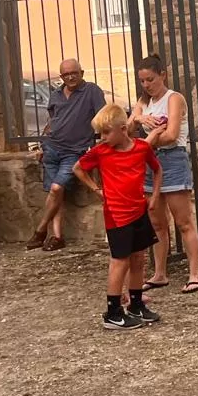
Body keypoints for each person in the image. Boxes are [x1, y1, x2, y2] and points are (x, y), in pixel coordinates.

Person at [73, 104, 163, 329]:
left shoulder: (141, 148)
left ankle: (136, 303)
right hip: (117, 214)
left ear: (123, 129)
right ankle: (113, 311)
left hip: (138, 210)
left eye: (106, 132)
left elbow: (157, 169)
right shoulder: (101, 152)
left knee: (138, 258)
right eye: (100, 133)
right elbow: (78, 168)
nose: (102, 138)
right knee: (119, 261)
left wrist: (154, 197)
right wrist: (97, 190)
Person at [132, 56, 198, 294]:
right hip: (150, 162)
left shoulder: (174, 99)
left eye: (150, 79)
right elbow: (127, 127)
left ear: (162, 74)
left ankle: (195, 274)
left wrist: (148, 140)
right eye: (142, 80)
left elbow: (172, 134)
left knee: (183, 220)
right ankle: (160, 273)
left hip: (172, 159)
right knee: (156, 222)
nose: (147, 85)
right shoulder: (143, 102)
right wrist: (141, 118)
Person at [28, 59, 107, 252]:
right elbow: (52, 121)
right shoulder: (55, 93)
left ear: (82, 72)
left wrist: (102, 144)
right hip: (51, 148)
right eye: (65, 74)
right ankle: (57, 236)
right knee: (56, 194)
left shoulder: (91, 91)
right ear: (61, 76)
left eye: (74, 73)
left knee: (56, 188)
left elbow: (103, 118)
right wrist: (40, 146)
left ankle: (40, 230)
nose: (70, 77)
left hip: (74, 151)